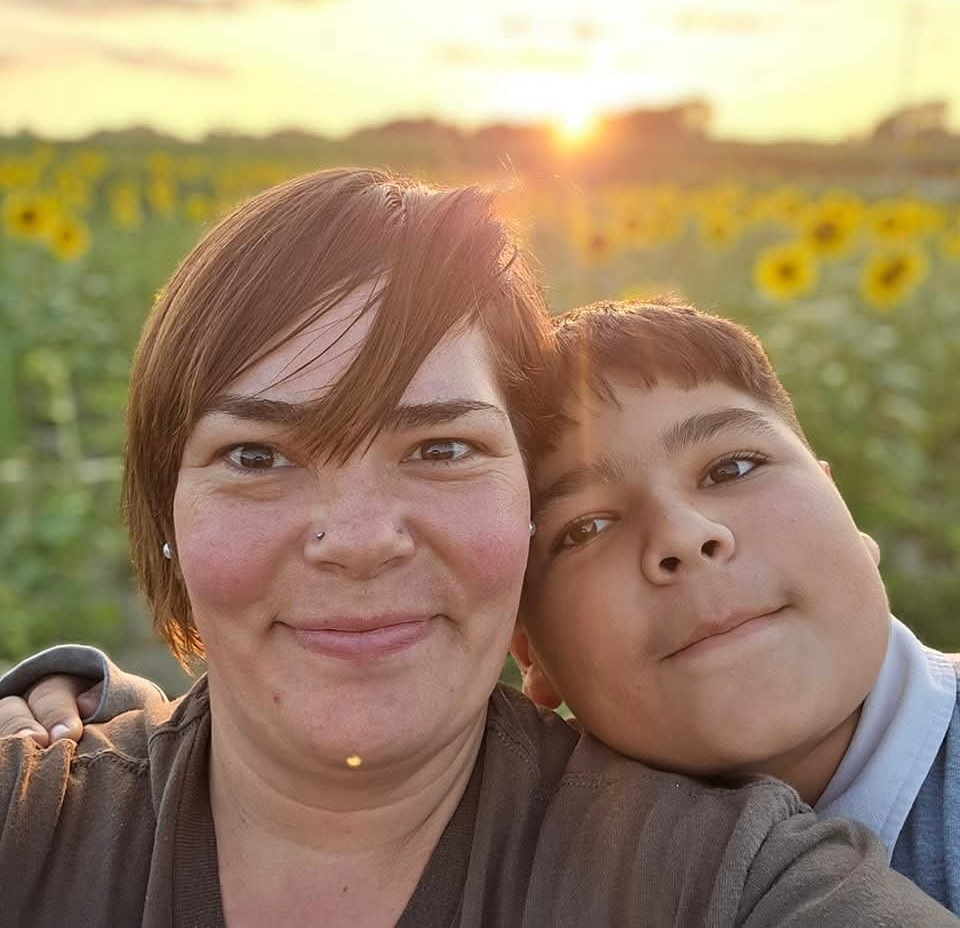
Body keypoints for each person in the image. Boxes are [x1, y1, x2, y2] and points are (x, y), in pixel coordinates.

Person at [0, 173, 956, 927]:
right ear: (166, 514)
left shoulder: (725, 878)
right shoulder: (32, 814)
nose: (361, 541)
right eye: (257, 455)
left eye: (442, 448)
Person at [510, 298, 960, 912]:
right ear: (528, 653)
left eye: (733, 468)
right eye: (586, 528)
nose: (683, 535)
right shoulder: (523, 883)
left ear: (844, 510)